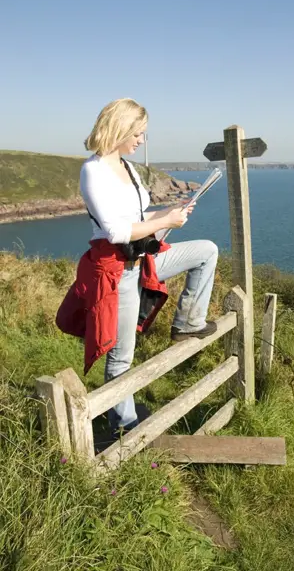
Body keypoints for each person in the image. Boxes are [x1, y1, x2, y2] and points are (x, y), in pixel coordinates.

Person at [57, 98, 218, 435]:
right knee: (121, 354)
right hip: (119, 270)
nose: (141, 141)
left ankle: (189, 322)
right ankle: (124, 425)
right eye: (139, 133)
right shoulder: (94, 169)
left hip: (145, 258)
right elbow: (116, 231)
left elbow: (139, 218)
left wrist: (170, 214)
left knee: (206, 251)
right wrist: (166, 219)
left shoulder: (128, 168)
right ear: (121, 128)